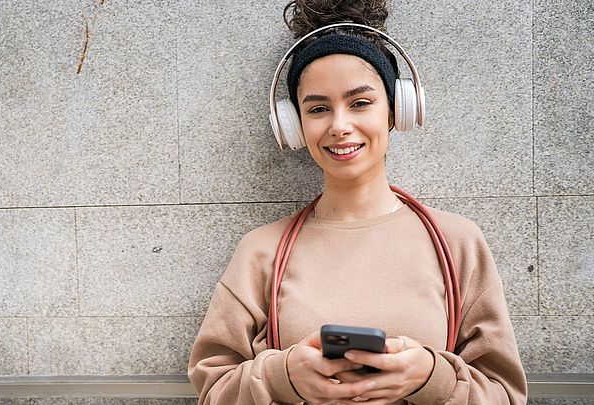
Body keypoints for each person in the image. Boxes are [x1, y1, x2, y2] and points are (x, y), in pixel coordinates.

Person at [188, 0, 527, 403]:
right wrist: (283, 377)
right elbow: (213, 391)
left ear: (397, 111)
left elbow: (506, 395)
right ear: (294, 125)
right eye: (317, 108)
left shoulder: (458, 242)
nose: (339, 126)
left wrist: (431, 379)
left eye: (361, 103)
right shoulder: (262, 250)